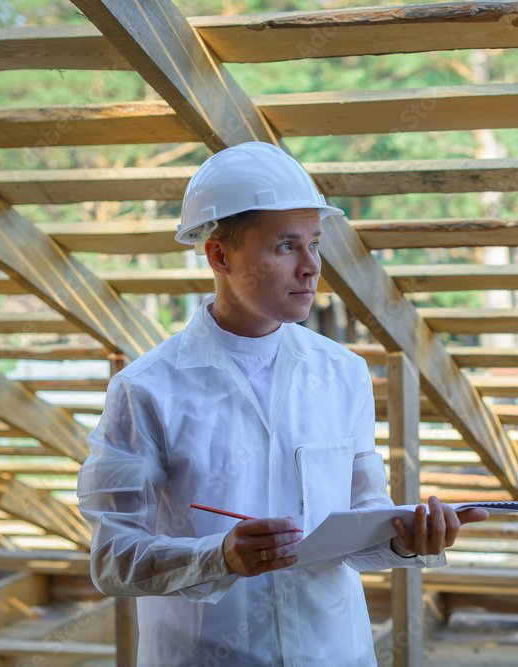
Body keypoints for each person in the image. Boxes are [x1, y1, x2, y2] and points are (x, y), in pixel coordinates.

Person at [77, 141, 487, 666]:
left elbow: (360, 522)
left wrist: (407, 539)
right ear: (220, 256)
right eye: (286, 246)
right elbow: (113, 559)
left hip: (334, 654)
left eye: (315, 242)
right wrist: (218, 557)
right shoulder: (146, 389)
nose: (312, 267)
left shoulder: (344, 374)